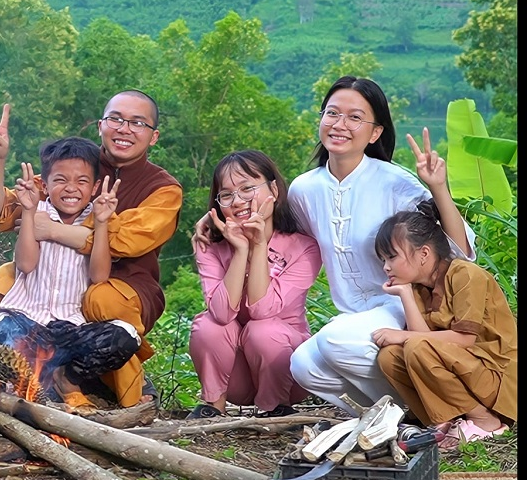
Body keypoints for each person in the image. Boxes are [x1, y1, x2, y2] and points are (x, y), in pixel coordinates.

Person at [194, 76, 476, 415]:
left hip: (399, 304)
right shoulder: (304, 189)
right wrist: (216, 228)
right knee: (303, 365)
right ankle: (401, 413)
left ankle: (437, 408)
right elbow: (278, 236)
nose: (340, 124)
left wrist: (439, 188)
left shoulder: (394, 182)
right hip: (351, 314)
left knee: (333, 340)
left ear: (374, 133)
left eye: (355, 117)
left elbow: (459, 251)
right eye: (332, 113)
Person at [0, 92, 183, 407]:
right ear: (101, 125)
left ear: (153, 136)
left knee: (102, 297)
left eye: (137, 123)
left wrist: (55, 230)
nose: (125, 129)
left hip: (123, 286)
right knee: (4, 279)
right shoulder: (77, 164)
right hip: (43, 299)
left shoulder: (163, 188)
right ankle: (18, 374)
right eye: (116, 119)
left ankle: (94, 376)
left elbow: (127, 241)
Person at [0, 137, 139, 412]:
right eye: (61, 180)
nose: (71, 189)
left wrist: (100, 224)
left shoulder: (98, 217)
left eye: (82, 182)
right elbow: (26, 265)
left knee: (126, 335)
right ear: (44, 184)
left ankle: (67, 380)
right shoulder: (37, 210)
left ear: (96, 187)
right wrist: (27, 213)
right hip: (26, 322)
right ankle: (22, 385)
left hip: (70, 328)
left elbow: (99, 276)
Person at [187, 151, 321, 419]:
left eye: (248, 188)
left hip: (287, 370)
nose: (238, 201)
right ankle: (212, 405)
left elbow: (262, 310)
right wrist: (240, 251)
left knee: (263, 330)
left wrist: (259, 245)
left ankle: (276, 407)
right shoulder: (211, 247)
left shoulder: (304, 247)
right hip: (236, 374)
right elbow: (222, 313)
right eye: (227, 195)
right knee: (209, 325)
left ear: (273, 189)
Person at [372, 200, 516, 447]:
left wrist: (403, 335)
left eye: (392, 257)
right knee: (390, 357)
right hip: (467, 372)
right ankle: (449, 420)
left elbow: (464, 340)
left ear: (424, 253)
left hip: (496, 378)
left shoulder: (465, 274)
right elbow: (423, 342)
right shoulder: (418, 288)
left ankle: (486, 421)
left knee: (413, 346)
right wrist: (405, 294)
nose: (386, 267)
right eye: (383, 259)